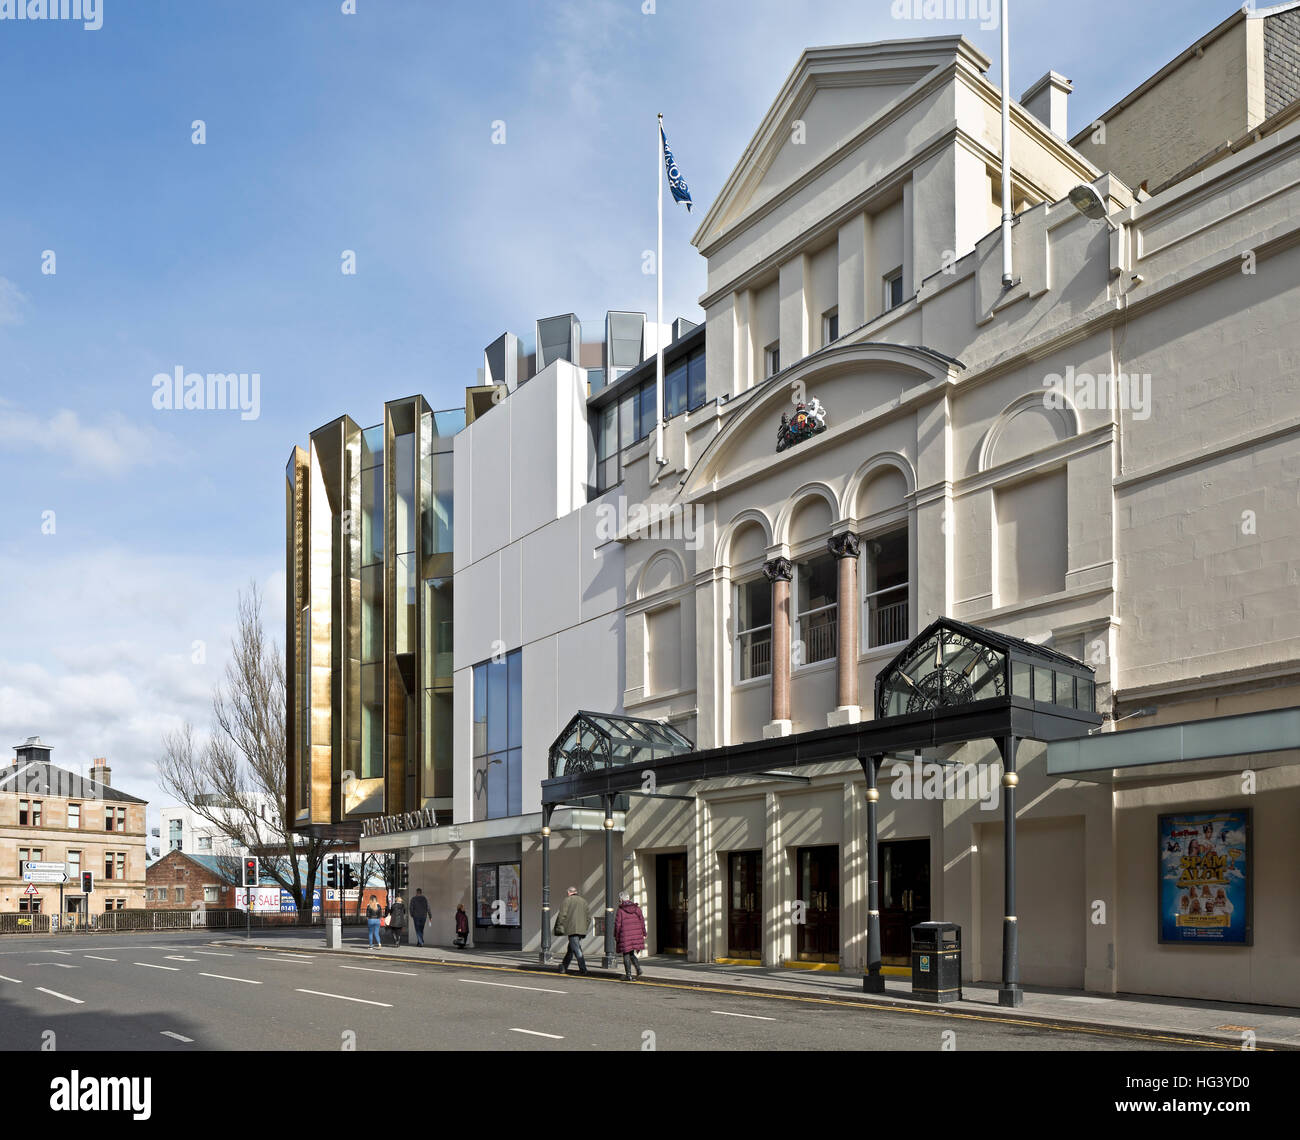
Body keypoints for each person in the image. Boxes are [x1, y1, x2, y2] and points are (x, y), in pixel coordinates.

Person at [553, 886, 589, 975]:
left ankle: (583, 969)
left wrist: (559, 926)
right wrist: (584, 928)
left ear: (569, 892)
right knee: (571, 948)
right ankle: (564, 966)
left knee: (576, 949)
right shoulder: (584, 901)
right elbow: (588, 918)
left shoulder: (567, 900)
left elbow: (562, 915)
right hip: (581, 930)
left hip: (572, 929)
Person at [614, 890, 646, 980]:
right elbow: (642, 921)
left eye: (619, 899)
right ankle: (638, 969)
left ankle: (628, 975)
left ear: (621, 899)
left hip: (625, 936)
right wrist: (644, 933)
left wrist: (616, 936)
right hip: (635, 935)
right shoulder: (637, 909)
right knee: (631, 953)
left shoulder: (620, 910)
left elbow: (617, 925)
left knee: (626, 954)